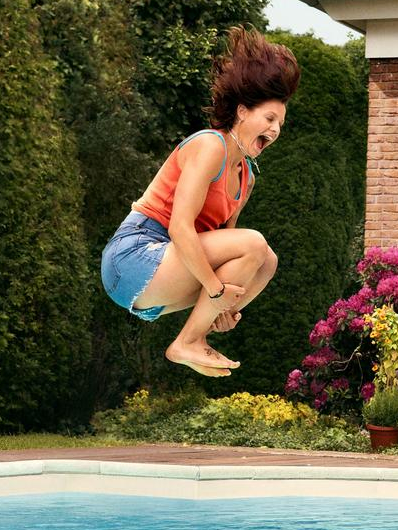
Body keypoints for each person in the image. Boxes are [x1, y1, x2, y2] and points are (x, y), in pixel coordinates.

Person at [101, 27, 300, 377]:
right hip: (133, 256)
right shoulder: (211, 146)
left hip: (163, 278)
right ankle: (187, 342)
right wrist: (216, 290)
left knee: (266, 261)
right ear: (241, 112)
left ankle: (197, 336)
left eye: (280, 123)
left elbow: (231, 255)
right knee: (254, 244)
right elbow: (180, 226)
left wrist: (222, 309)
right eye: (269, 119)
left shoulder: (247, 177)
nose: (275, 130)